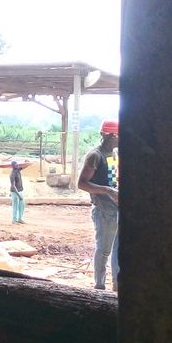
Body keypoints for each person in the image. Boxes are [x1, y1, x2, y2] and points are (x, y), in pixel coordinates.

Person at [78, 120, 119, 291]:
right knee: (104, 250)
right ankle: (99, 287)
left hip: (115, 208)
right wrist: (108, 191)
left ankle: (117, 284)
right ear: (111, 136)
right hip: (103, 209)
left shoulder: (113, 154)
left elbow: (113, 178)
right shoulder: (95, 155)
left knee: (118, 250)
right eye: (119, 136)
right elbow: (82, 183)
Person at [9, 159, 26, 223]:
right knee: (15, 206)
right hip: (15, 192)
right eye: (15, 164)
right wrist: (19, 196)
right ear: (12, 166)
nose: (17, 165)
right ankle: (14, 220)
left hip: (20, 190)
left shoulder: (18, 170)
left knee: (22, 206)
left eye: (17, 164)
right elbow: (13, 186)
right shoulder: (12, 174)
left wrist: (26, 162)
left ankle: (20, 218)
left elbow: (25, 166)